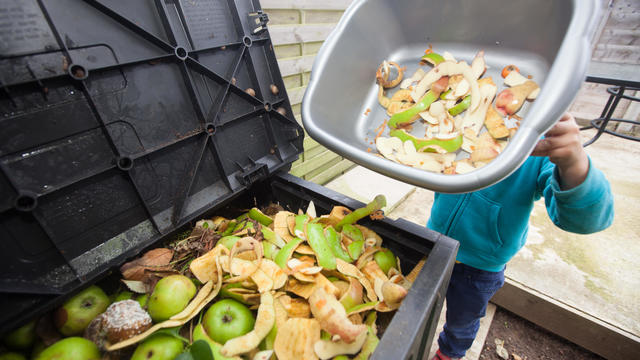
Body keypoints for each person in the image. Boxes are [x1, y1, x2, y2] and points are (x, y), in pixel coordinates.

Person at [428, 113, 615, 360]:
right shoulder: (468, 115)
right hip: (434, 243)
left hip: (480, 268)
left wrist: (573, 162)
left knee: (462, 320)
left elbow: (587, 219)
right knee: (424, 302)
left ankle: (450, 352)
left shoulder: (538, 142)